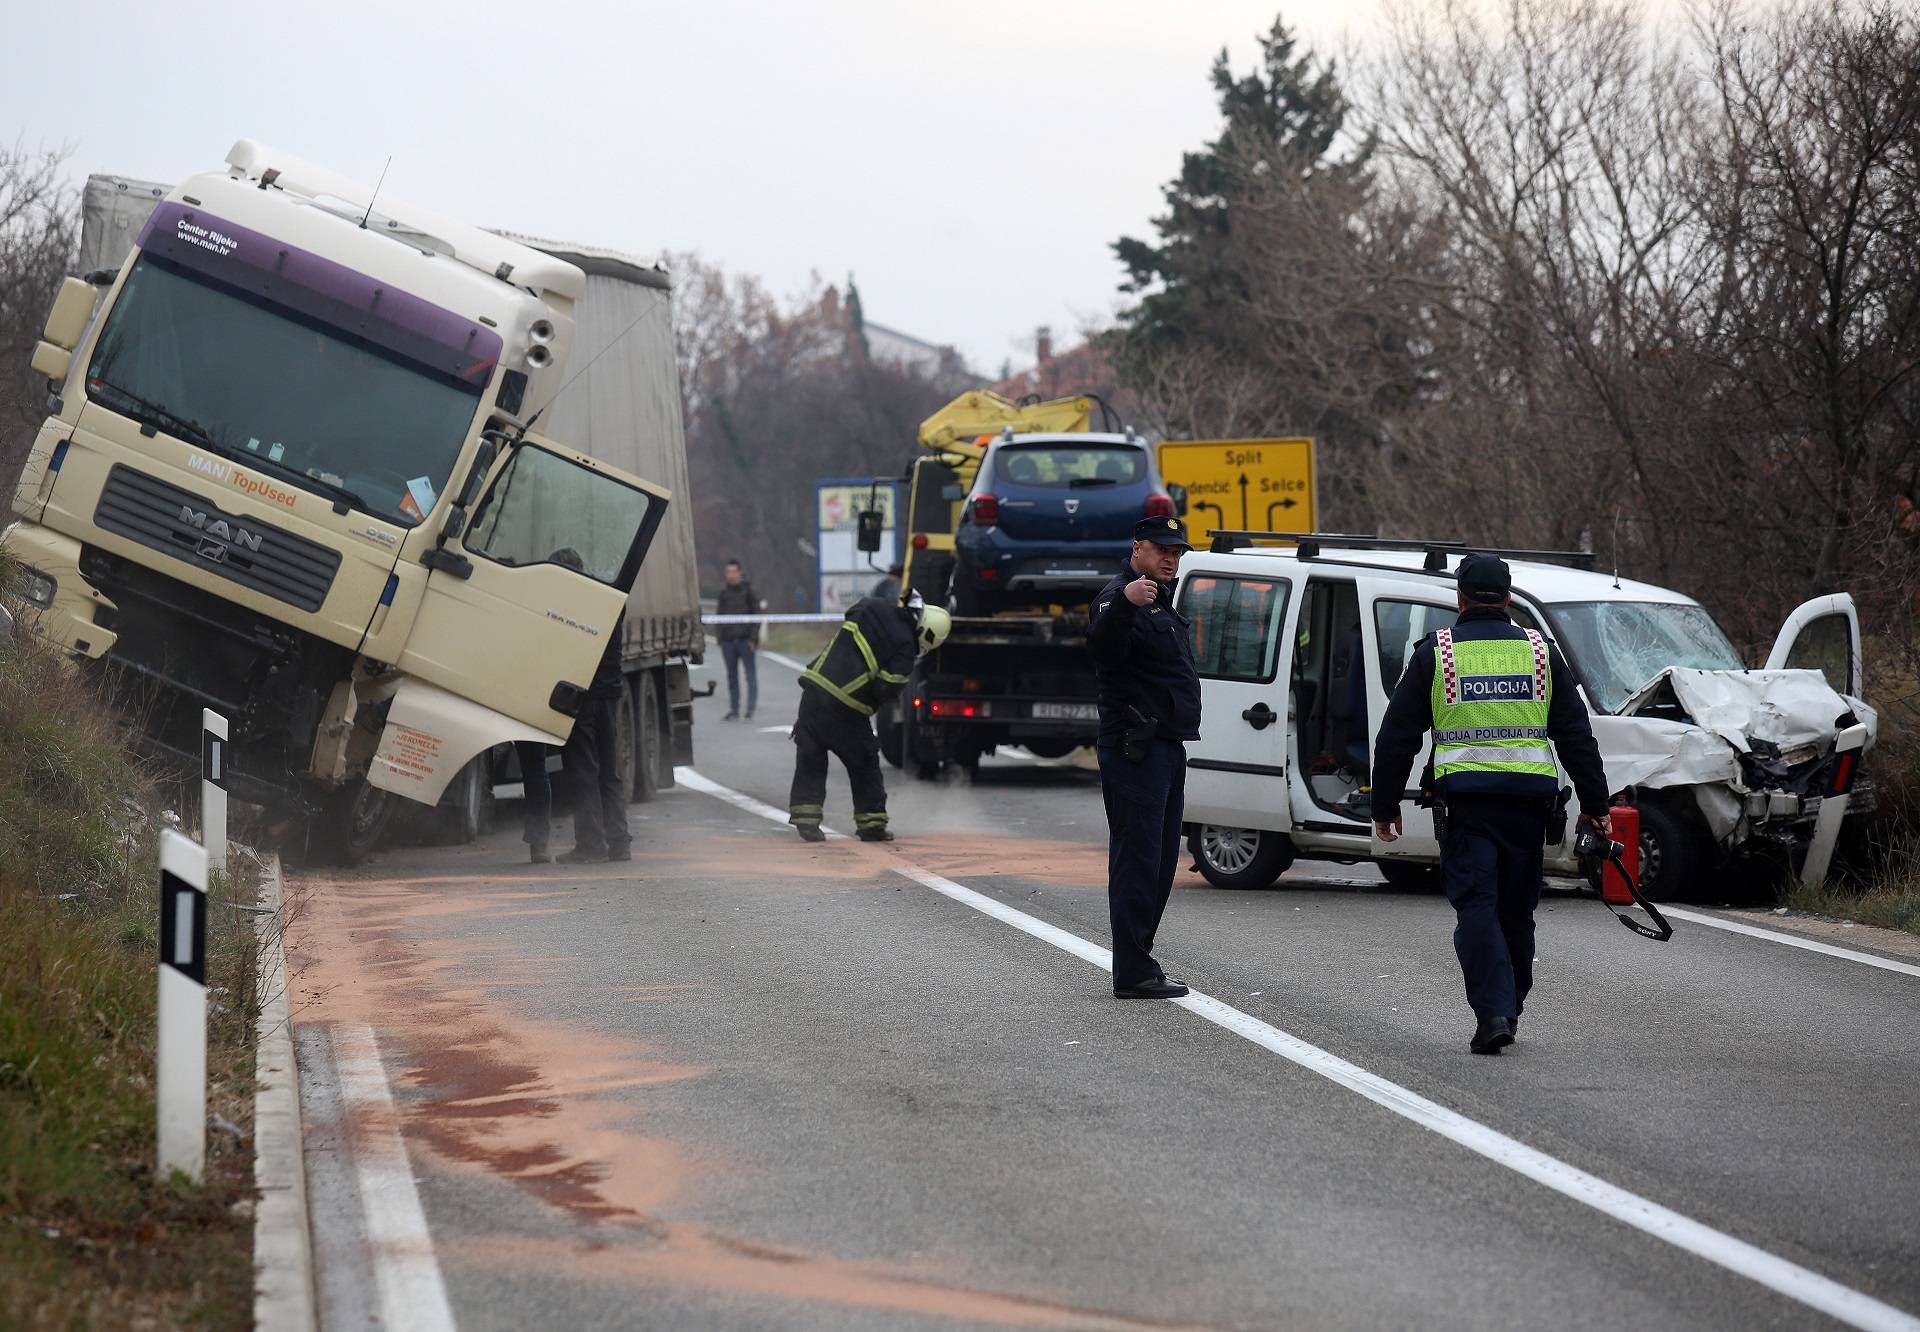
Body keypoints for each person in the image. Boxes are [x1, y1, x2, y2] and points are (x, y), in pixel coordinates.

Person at [1370, 553, 1611, 1054]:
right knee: (1516, 912)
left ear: (1459, 599)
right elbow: (1575, 734)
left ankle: (1495, 1010)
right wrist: (1596, 802)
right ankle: (1510, 1006)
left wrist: (1385, 804)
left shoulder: (1437, 652)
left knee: (1477, 907)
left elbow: (1398, 735)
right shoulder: (1541, 652)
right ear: (1507, 598)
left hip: (1467, 807)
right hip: (1529, 807)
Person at [1087, 516, 1201, 1000]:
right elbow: (1104, 653)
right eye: (1161, 550)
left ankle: (1140, 960)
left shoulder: (1162, 604)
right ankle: (1132, 970)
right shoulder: (1119, 598)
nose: (1171, 558)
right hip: (1136, 749)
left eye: (1177, 552)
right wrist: (1124, 609)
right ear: (1138, 550)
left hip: (1166, 748)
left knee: (1158, 862)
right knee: (1138, 860)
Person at [787, 594, 950, 843]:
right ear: (926, 634)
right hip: (844, 708)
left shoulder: (873, 606)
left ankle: (806, 821)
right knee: (865, 763)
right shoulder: (906, 647)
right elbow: (886, 689)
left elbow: (851, 615)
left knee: (811, 758)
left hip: (812, 693)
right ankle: (872, 826)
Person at [559, 604, 632, 865]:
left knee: (584, 771)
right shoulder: (612, 600)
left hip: (583, 696)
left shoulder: (573, 608)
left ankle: (590, 845)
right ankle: (619, 842)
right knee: (609, 771)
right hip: (610, 693)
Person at [714, 558, 761, 721]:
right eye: (728, 572)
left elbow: (757, 615)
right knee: (731, 677)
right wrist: (720, 639)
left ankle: (750, 708)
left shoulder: (748, 592)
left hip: (745, 640)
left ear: (740, 573)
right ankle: (734, 709)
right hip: (728, 642)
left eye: (734, 572)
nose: (731, 575)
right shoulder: (723, 594)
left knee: (750, 675)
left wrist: (753, 639)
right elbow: (718, 617)